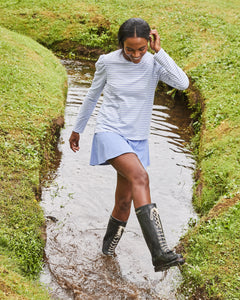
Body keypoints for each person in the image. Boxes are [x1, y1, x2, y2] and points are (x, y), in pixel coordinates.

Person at [69, 18, 189, 272]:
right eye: (129, 49)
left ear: (149, 43)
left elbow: (183, 83)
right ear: (120, 44)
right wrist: (77, 129)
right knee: (141, 177)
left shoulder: (154, 62)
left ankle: (106, 255)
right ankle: (159, 253)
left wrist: (159, 52)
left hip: (138, 138)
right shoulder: (107, 62)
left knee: (124, 202)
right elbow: (92, 95)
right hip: (110, 131)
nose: (135, 55)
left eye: (141, 49)